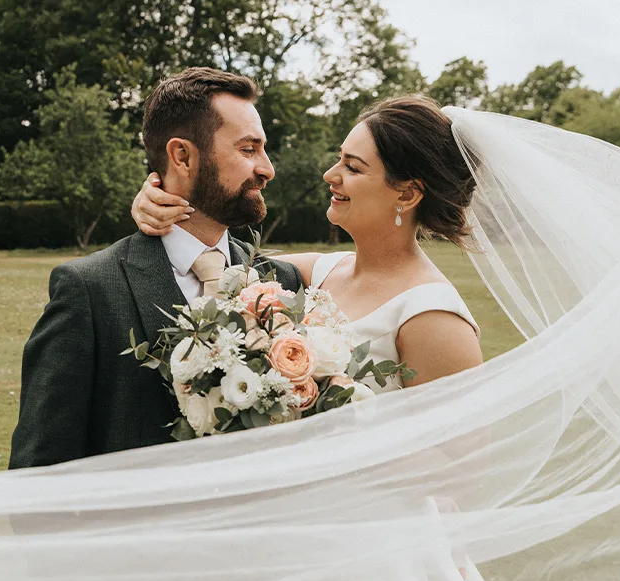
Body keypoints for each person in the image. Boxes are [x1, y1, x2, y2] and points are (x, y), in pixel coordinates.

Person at [8, 67, 303, 470]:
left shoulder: (281, 283)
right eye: (248, 149)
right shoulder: (90, 291)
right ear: (181, 156)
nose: (267, 168)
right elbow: (39, 471)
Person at [131, 95, 485, 393]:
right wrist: (158, 200)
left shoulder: (434, 317)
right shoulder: (317, 272)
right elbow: (214, 261)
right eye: (339, 158)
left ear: (407, 194)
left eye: (353, 168)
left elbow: (461, 466)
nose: (330, 175)